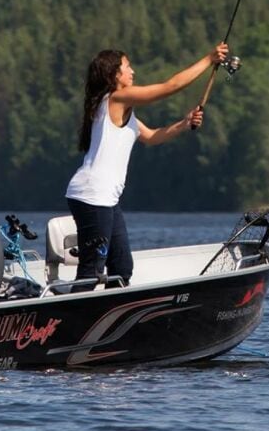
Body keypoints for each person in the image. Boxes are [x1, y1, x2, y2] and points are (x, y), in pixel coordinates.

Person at [65, 42, 229, 286]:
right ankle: (72, 321)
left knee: (121, 268)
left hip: (106, 199)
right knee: (91, 271)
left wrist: (184, 124)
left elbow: (153, 137)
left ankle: (114, 316)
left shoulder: (123, 112)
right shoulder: (116, 99)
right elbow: (169, 88)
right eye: (128, 67)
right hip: (92, 196)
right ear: (114, 75)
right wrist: (208, 60)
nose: (133, 72)